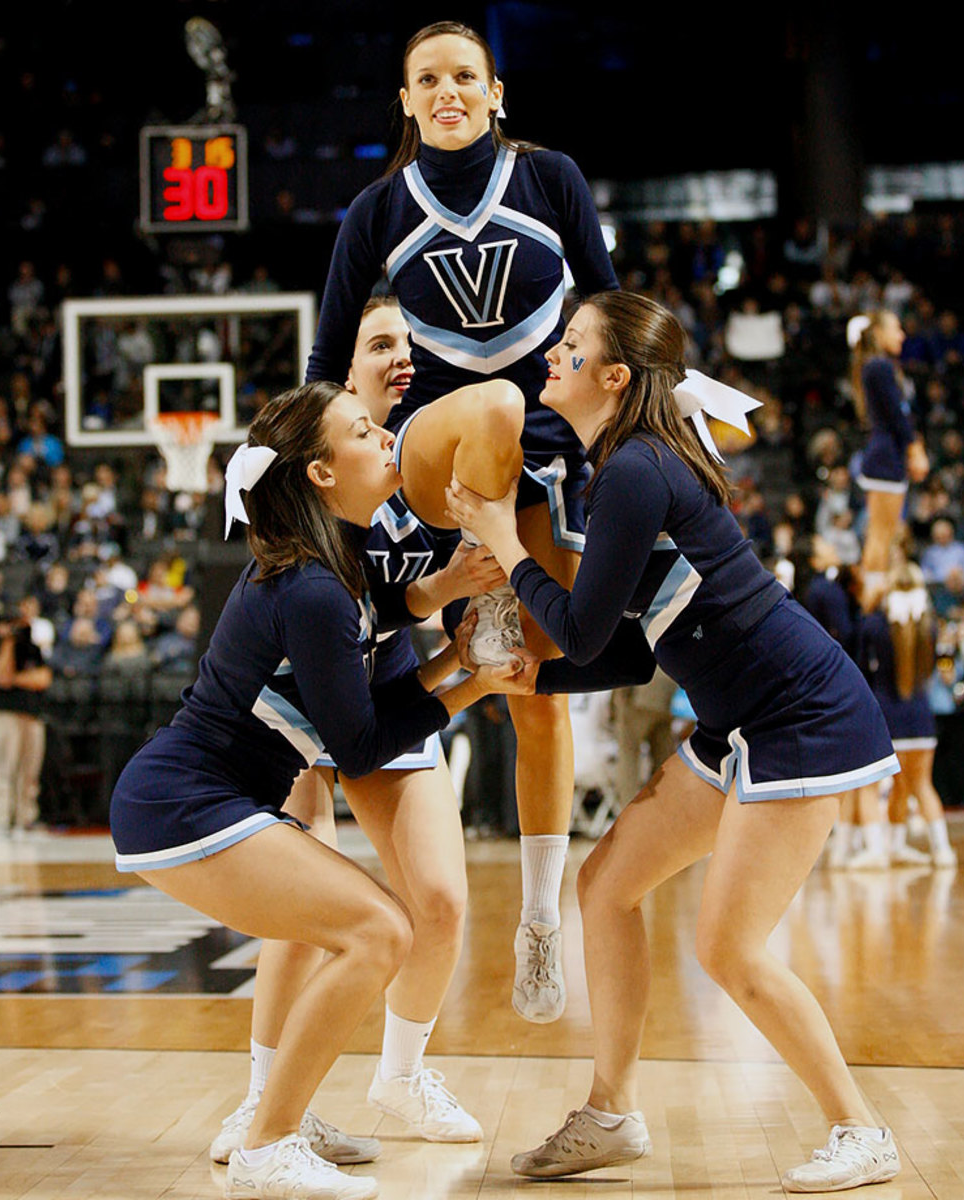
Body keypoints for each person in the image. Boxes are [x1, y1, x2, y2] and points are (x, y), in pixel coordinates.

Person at [446, 291, 903, 1193]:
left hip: (798, 716)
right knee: (606, 884)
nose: (552, 354)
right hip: (737, 720)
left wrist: (501, 535)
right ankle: (610, 1113)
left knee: (729, 948)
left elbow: (576, 628)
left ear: (612, 377)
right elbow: (621, 643)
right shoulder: (622, 464)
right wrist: (533, 678)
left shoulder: (633, 469)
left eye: (570, 346)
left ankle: (862, 1131)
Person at [109, 380, 534, 1200]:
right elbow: (362, 746)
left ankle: (281, 1118)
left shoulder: (333, 570)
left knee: (369, 930)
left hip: (202, 800)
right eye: (365, 431)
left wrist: (456, 661)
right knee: (378, 931)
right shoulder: (309, 589)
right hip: (184, 803)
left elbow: (372, 700)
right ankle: (268, 1141)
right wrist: (473, 689)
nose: (387, 440)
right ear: (320, 475)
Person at [305, 19, 620, 1022]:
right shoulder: (375, 207)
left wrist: (647, 424)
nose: (447, 92)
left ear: (496, 92)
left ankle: (538, 922)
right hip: (440, 456)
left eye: (464, 77)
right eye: (426, 79)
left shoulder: (553, 179)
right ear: (405, 101)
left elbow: (611, 319)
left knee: (538, 694)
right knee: (490, 404)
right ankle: (479, 607)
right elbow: (323, 364)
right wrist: (273, 456)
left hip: (541, 477)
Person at [210, 298, 504, 1166]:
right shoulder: (317, 456)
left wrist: (444, 600)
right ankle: (267, 1100)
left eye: (412, 343)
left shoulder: (425, 459)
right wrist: (428, 597)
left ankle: (401, 1075)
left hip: (391, 690)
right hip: (308, 705)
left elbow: (386, 604)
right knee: (302, 915)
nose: (402, 357)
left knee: (441, 903)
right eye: (382, 344)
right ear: (342, 371)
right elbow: (326, 600)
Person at [859, 559, 957, 868]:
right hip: (921, 718)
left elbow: (861, 665)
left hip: (885, 717)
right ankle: (941, 851)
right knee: (920, 785)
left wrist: (871, 603)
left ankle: (877, 850)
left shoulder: (875, 623)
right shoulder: (929, 624)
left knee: (870, 787)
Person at [848, 311, 930, 611]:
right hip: (886, 457)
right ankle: (871, 600)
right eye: (896, 329)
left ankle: (872, 594)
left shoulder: (876, 366)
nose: (902, 335)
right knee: (882, 533)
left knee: (882, 532)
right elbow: (898, 415)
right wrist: (915, 449)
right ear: (879, 332)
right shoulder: (879, 366)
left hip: (885, 455)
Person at [0, 613, 52, 836]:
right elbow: (0, 676)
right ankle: (1, 819)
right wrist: (8, 642)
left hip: (32, 716)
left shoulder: (33, 648)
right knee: (4, 767)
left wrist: (15, 679)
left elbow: (43, 678)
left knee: (29, 770)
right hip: (5, 715)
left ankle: (26, 818)